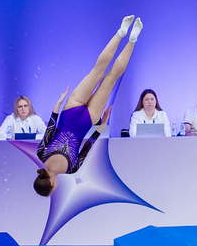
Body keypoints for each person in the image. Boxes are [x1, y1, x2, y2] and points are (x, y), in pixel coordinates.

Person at [34, 15, 142, 196]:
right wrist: (57, 106)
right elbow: (51, 128)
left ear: (52, 184)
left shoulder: (70, 168)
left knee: (109, 78)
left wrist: (100, 127)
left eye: (53, 189)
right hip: (70, 112)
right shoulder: (42, 155)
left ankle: (131, 38)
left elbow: (88, 144)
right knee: (99, 72)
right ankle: (122, 33)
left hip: (85, 118)